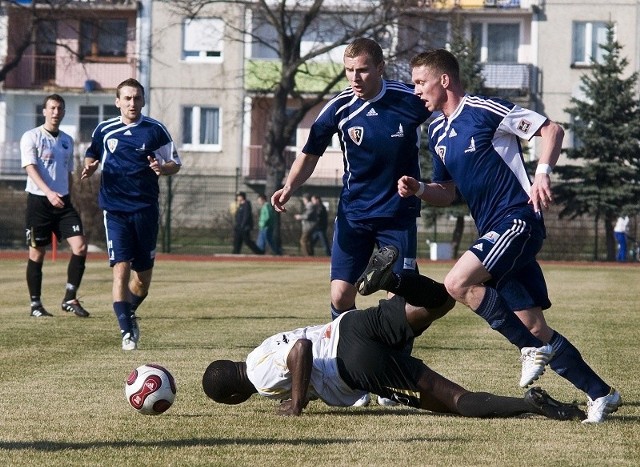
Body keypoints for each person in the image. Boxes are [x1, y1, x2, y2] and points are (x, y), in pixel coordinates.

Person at [398, 49, 621, 423]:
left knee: (457, 282)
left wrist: (543, 172)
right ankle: (602, 393)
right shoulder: (436, 130)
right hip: (495, 232)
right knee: (534, 325)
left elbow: (552, 129)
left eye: (421, 82)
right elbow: (448, 191)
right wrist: (420, 188)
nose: (416, 90)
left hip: (518, 220)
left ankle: (529, 349)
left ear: (445, 81)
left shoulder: (484, 110)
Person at [202, 247, 585, 422]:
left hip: (354, 365)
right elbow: (300, 340)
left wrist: (296, 402)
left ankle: (531, 405)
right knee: (441, 302)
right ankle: (396, 279)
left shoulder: (257, 376)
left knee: (455, 400)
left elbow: (300, 350)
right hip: (350, 325)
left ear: (235, 399)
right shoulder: (259, 349)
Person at [271, 38, 431, 322]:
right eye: (349, 70)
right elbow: (310, 154)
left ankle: (391, 356)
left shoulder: (409, 98)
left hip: (398, 214)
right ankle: (346, 351)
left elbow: (449, 107)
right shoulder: (339, 107)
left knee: (398, 297)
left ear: (380, 68)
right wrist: (289, 186)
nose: (355, 78)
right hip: (354, 213)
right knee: (340, 295)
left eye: (363, 70)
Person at [82, 78, 181, 350]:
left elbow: (175, 163)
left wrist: (163, 167)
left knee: (142, 280)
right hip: (115, 210)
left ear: (143, 101)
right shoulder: (104, 130)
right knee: (120, 269)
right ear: (118, 102)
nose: (132, 103)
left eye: (136, 98)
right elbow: (92, 155)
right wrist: (90, 167)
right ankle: (126, 331)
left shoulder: (155, 130)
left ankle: (130, 311)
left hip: (146, 210)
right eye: (127, 98)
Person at [20, 94, 90, 318]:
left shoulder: (67, 140)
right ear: (44, 111)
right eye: (52, 108)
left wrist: (68, 196)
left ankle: (69, 298)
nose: (56, 112)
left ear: (64, 112)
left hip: (63, 203)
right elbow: (30, 168)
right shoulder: (31, 136)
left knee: (80, 246)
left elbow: (68, 172)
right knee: (37, 253)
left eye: (60, 108)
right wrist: (48, 193)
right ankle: (36, 305)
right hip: (39, 201)